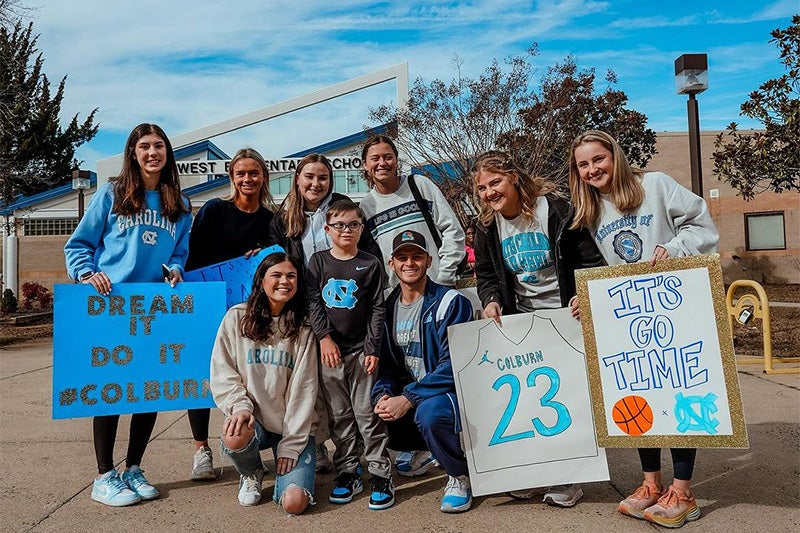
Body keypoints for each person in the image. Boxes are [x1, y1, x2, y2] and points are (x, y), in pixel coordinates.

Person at [568, 130, 718, 528]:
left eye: (598, 159)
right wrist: (589, 297)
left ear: (614, 156)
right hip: (631, 317)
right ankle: (651, 484)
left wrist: (674, 249)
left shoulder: (656, 185)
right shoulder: (592, 211)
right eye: (583, 164)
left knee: (681, 389)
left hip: (674, 305)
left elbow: (702, 226)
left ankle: (682, 492)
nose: (592, 169)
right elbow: (605, 270)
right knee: (637, 391)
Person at [64, 123, 193, 507]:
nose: (153, 153)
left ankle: (134, 468)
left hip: (153, 309)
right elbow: (79, 245)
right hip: (112, 305)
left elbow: (179, 253)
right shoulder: (113, 194)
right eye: (145, 146)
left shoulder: (180, 205)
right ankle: (104, 475)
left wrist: (174, 268)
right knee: (111, 392)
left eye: (159, 146)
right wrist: (88, 273)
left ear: (168, 153)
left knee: (145, 391)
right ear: (133, 152)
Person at [471, 150, 603, 508]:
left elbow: (590, 260)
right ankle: (535, 474)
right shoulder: (486, 226)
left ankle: (571, 478)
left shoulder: (557, 210)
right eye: (482, 187)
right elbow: (485, 273)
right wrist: (491, 299)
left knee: (570, 399)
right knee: (533, 402)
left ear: (514, 177)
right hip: (523, 320)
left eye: (495, 182)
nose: (489, 192)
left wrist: (583, 294)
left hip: (566, 318)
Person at [268, 153, 382, 473]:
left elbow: (367, 253)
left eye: (322, 178)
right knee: (312, 385)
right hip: (307, 310)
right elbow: (278, 263)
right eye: (309, 177)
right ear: (298, 179)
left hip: (348, 310)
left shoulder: (344, 208)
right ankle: (316, 445)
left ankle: (356, 446)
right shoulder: (285, 217)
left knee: (352, 388)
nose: (316, 183)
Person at [183, 147, 276, 481]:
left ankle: (249, 441)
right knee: (202, 374)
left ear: (263, 177)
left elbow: (275, 266)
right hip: (210, 305)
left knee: (250, 376)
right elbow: (192, 259)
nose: (248, 179)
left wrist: (260, 256)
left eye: (254, 173)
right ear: (232, 177)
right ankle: (200, 450)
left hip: (251, 313)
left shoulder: (270, 221)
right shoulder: (213, 211)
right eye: (241, 173)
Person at [372, 229, 475, 513]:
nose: (409, 263)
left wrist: (407, 398)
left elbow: (455, 363)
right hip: (414, 391)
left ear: (429, 261)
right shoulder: (387, 308)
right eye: (402, 257)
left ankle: (459, 475)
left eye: (416, 256)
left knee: (430, 413)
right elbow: (386, 366)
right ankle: (421, 449)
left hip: (447, 394)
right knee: (368, 404)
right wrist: (382, 395)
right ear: (391, 263)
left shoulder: (451, 302)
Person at [210, 252, 318, 514]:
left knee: (294, 504)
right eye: (276, 275)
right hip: (254, 422)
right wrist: (240, 407)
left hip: (293, 427)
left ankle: (291, 473)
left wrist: (291, 446)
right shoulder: (236, 318)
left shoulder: (303, 328)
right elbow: (223, 372)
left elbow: (305, 390)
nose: (284, 281)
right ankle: (252, 472)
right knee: (234, 433)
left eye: (291, 276)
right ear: (260, 281)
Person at [306, 199, 394, 510]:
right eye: (340, 225)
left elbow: (377, 308)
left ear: (361, 227)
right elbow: (314, 303)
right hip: (331, 352)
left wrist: (372, 347)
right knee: (340, 415)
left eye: (353, 224)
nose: (347, 230)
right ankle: (348, 470)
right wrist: (324, 338)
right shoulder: (317, 262)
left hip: (361, 352)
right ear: (327, 229)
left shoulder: (370, 263)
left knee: (367, 414)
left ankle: (381, 472)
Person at [359, 135, 465, 289]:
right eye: (375, 158)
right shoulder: (366, 207)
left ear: (396, 160)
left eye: (388, 157)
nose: (382, 163)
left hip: (438, 287)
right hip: (399, 298)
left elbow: (452, 230)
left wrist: (445, 277)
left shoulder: (419, 185)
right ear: (365, 165)